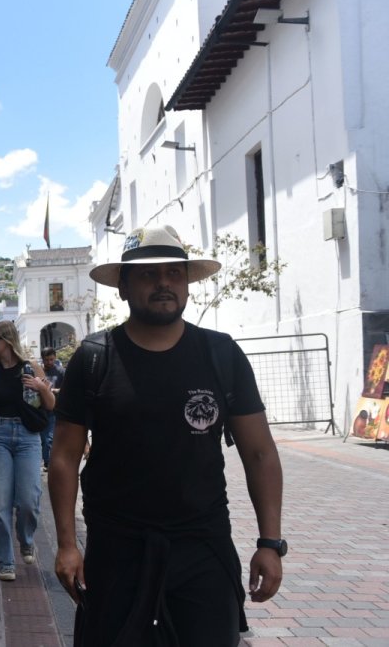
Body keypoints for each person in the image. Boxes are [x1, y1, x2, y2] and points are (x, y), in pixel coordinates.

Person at [49, 225, 284, 646]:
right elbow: (64, 457)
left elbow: (260, 453)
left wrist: (270, 542)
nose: (163, 283)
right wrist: (68, 544)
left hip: (203, 548)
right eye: (147, 274)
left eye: (174, 273)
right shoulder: (93, 359)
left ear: (187, 285)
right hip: (116, 549)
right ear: (122, 287)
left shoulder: (221, 354)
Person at [0, 320, 54, 581]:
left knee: (29, 499)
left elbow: (50, 404)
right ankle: (5, 561)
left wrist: (40, 387)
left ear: (6, 340)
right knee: (0, 502)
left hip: (28, 437)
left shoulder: (32, 367)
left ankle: (26, 539)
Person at [39, 347, 65, 470]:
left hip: (54, 409)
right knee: (43, 438)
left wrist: (53, 390)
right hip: (40, 409)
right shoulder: (38, 371)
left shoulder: (60, 371)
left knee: (49, 438)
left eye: (51, 359)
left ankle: (49, 463)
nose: (49, 362)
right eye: (46, 360)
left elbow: (66, 389)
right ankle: (46, 461)